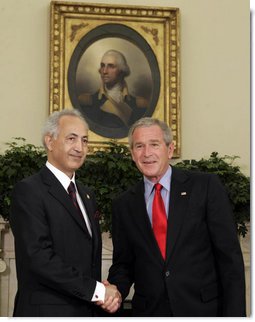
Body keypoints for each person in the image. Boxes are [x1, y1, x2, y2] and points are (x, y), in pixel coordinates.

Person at [107, 117, 246, 317]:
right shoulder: (123, 204)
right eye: (139, 146)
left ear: (170, 149)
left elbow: (229, 259)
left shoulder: (205, 187)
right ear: (132, 154)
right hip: (150, 313)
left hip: (203, 311)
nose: (147, 153)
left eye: (154, 144)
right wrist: (115, 291)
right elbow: (124, 264)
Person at [9, 109, 121, 317]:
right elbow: (39, 258)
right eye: (71, 138)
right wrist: (97, 291)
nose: (79, 148)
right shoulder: (29, 191)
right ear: (49, 142)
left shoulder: (87, 195)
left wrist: (103, 294)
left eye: (85, 141)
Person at [78, 49, 148, 138]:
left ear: (121, 70)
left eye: (111, 66)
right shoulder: (87, 102)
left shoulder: (139, 104)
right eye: (103, 66)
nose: (104, 71)